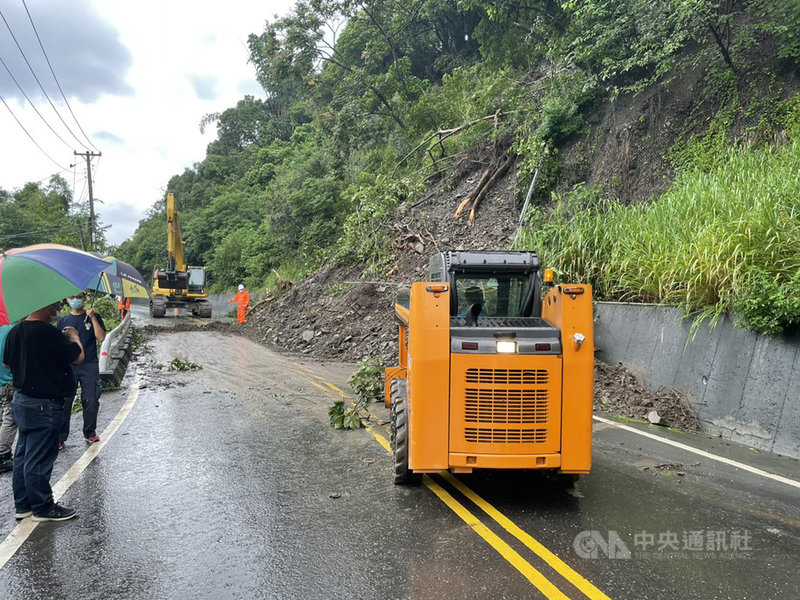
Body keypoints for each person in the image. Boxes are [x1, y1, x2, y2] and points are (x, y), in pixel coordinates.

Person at [3, 301, 84, 521]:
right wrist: (74, 336)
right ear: (45, 306)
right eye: (55, 305)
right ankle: (43, 507)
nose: (58, 308)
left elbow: (8, 364)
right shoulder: (48, 333)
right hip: (44, 404)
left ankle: (23, 505)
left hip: (21, 400)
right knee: (38, 458)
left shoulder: (15, 332)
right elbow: (77, 357)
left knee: (23, 454)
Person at [58, 292, 106, 446]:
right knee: (65, 401)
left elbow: (101, 338)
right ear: (67, 299)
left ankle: (90, 432)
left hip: (89, 363)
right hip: (69, 365)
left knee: (91, 399)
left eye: (78, 297)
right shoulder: (64, 321)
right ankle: (60, 436)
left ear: (84, 298)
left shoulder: (94, 317)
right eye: (71, 297)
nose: (75, 300)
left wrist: (92, 318)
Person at [0, 324, 17, 473]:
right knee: (10, 419)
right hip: (9, 383)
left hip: (1, 382)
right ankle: (3, 454)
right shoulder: (15, 330)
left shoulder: (2, 329)